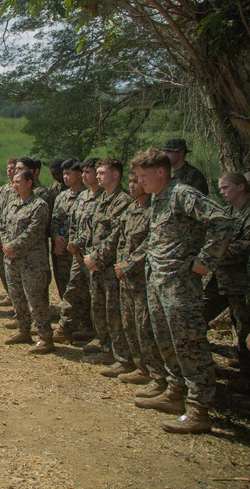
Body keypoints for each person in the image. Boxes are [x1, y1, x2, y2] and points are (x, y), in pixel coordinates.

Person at [133, 148, 233, 434]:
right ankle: (175, 393)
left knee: (189, 344)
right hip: (159, 281)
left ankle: (199, 410)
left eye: (143, 176)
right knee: (166, 340)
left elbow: (221, 221)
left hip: (180, 285)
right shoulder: (158, 197)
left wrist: (205, 261)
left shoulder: (182, 194)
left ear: (160, 172)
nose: (140, 182)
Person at [114, 166, 169, 395]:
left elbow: (150, 243)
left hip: (142, 278)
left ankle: (158, 376)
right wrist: (120, 263)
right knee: (130, 324)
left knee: (146, 327)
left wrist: (127, 264)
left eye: (137, 181)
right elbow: (122, 240)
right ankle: (140, 367)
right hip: (125, 277)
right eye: (132, 181)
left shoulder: (153, 210)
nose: (133, 185)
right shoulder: (131, 209)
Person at [83, 158, 133, 372]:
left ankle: (121, 356)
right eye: (98, 172)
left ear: (115, 175)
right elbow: (92, 230)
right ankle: (105, 346)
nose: (98, 175)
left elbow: (117, 236)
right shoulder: (101, 199)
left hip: (111, 267)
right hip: (96, 266)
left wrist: (97, 257)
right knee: (99, 308)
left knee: (114, 312)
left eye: (103, 172)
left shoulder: (124, 201)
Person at [202, 172, 250, 386]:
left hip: (241, 281)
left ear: (241, 187)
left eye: (226, 187)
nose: (221, 192)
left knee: (243, 327)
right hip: (219, 278)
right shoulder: (227, 212)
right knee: (199, 314)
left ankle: (245, 376)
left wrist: (223, 250)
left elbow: (245, 245)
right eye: (220, 188)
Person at [0, 170, 54, 354]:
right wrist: (7, 245)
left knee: (35, 299)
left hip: (32, 262)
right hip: (12, 260)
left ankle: (45, 337)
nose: (15, 185)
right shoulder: (12, 205)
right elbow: (5, 227)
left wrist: (14, 246)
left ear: (29, 182)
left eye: (18, 181)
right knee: (17, 296)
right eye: (13, 182)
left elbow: (34, 231)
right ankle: (23, 330)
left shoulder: (39, 205)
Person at [63, 158, 101, 343]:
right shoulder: (82, 197)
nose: (84, 176)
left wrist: (76, 243)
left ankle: (98, 334)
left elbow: (95, 229)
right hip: (78, 255)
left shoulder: (104, 197)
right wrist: (72, 245)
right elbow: (74, 224)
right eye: (83, 172)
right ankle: (66, 327)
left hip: (95, 256)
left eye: (88, 172)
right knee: (73, 290)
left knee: (97, 297)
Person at [49, 158, 84, 302]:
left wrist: (74, 244)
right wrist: (56, 237)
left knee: (80, 288)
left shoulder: (87, 195)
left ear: (79, 174)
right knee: (63, 283)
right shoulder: (61, 196)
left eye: (69, 173)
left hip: (79, 250)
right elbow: (55, 219)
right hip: (62, 248)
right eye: (64, 174)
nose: (65, 177)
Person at [0, 157, 18, 305]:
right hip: (3, 236)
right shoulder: (2, 190)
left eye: (13, 168)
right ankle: (10, 296)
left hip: (17, 239)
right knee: (3, 269)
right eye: (8, 168)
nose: (10, 171)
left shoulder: (24, 190)